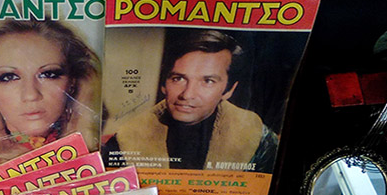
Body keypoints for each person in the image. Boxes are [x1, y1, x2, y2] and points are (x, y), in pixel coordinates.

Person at [101, 29, 279, 174]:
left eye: (208, 81)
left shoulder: (257, 138)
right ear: (164, 84)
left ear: (229, 90)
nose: (187, 94)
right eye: (178, 79)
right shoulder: (125, 139)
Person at [0, 17, 101, 173]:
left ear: (72, 82)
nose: (31, 95)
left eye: (49, 74)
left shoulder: (104, 150)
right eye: (9, 77)